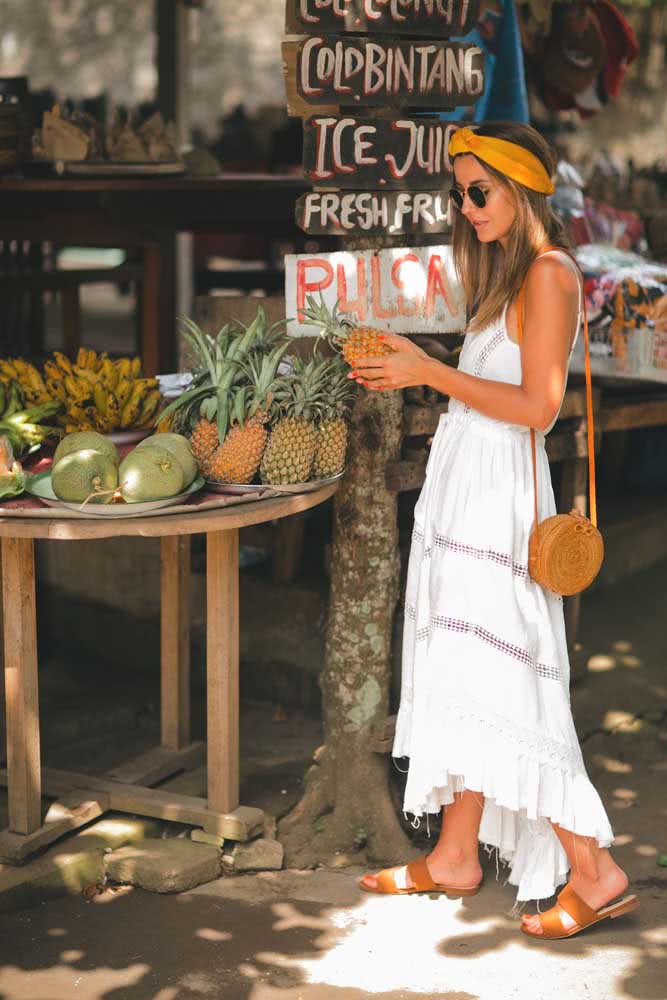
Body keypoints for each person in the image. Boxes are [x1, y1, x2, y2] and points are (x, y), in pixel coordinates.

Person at [351, 122, 639, 940]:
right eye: (460, 193)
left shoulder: (547, 275)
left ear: (522, 190)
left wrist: (427, 371)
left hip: (500, 502)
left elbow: (537, 409)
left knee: (508, 680)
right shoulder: (504, 278)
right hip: (465, 494)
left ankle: (594, 871)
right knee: (464, 668)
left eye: (480, 191)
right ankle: (452, 855)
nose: (467, 206)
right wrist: (425, 361)